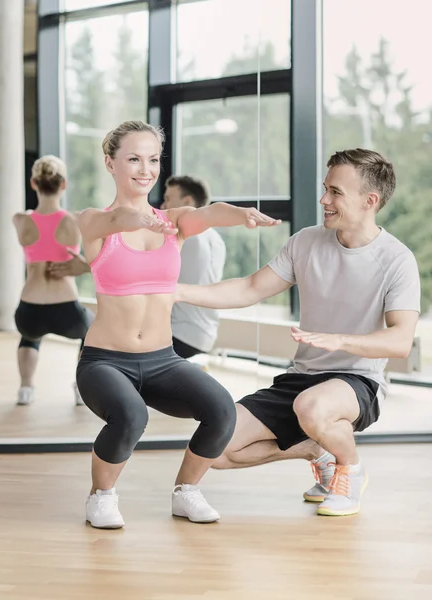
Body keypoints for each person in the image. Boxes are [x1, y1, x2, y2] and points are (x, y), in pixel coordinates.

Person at [176, 148, 421, 517]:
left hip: (358, 381)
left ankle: (349, 471)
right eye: (326, 189)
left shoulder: (396, 259)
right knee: (218, 447)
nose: (324, 199)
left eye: (336, 192)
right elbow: (248, 289)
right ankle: (314, 449)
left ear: (370, 200)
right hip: (301, 379)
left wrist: (342, 341)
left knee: (313, 408)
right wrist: (176, 292)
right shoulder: (306, 242)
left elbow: (401, 340)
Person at [75, 120, 281, 529]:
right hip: (104, 362)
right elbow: (113, 223)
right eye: (133, 158)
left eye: (153, 159)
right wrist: (135, 220)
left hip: (161, 359)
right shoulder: (93, 221)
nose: (145, 169)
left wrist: (240, 215)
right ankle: (101, 496)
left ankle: (186, 491)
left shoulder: (173, 222)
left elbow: (207, 213)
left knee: (222, 409)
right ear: (110, 163)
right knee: (131, 416)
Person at [12, 155, 94, 406]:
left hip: (29, 310)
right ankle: (80, 388)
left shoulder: (20, 219)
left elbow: (33, 220)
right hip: (67, 311)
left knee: (29, 336)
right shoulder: (77, 220)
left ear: (33, 183)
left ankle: (26, 388)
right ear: (64, 185)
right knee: (92, 331)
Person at [161, 175, 226, 359]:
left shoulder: (181, 234)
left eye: (167, 200)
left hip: (179, 335)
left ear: (187, 201)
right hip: (206, 336)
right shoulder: (216, 239)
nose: (163, 207)